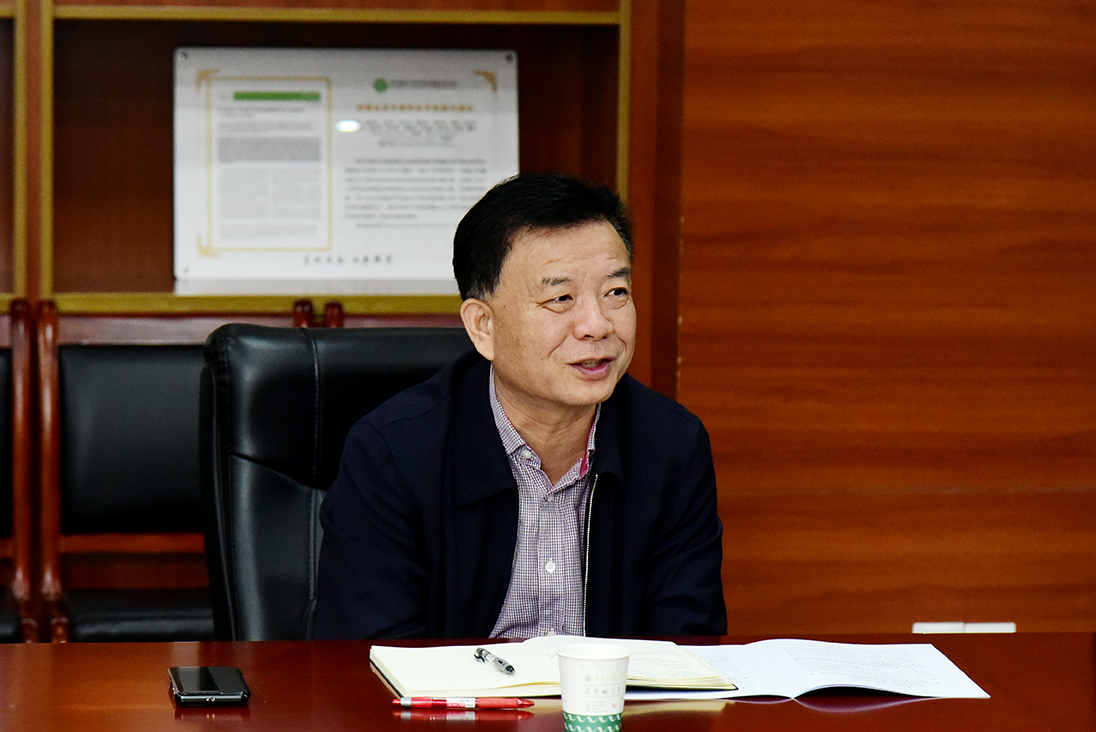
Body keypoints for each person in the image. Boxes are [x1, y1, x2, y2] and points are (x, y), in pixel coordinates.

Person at [314, 172, 726, 640]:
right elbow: (371, 660)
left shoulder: (671, 447)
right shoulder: (393, 455)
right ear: (483, 326)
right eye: (561, 298)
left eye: (615, 292)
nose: (596, 325)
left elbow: (685, 652)